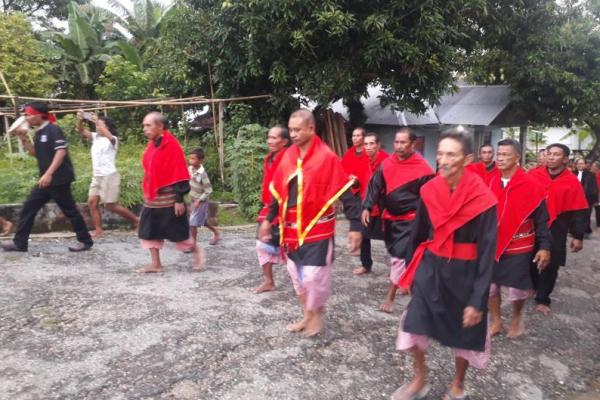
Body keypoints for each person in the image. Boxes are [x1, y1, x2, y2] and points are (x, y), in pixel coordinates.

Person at [393, 131, 497, 400]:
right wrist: (411, 275)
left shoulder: (483, 199)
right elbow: (417, 236)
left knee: (466, 334)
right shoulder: (429, 190)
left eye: (451, 154)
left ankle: (458, 384)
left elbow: (487, 253)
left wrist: (478, 300)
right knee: (412, 323)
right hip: (431, 270)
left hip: (466, 275)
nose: (443, 160)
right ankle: (419, 378)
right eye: (440, 153)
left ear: (467, 159)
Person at [258, 109, 362, 337]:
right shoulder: (288, 156)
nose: (293, 134)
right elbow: (279, 193)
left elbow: (346, 193)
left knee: (314, 276)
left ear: (311, 129)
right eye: (291, 129)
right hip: (290, 228)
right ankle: (306, 315)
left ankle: (318, 313)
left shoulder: (327, 157)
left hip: (318, 227)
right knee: (297, 275)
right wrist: (268, 219)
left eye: (297, 130)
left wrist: (355, 227)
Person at [1, 102, 93, 252]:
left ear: (38, 115)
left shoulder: (53, 129)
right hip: (46, 180)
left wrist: (49, 174)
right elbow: (35, 153)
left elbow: (61, 151)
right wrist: (23, 138)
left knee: (70, 211)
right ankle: (20, 243)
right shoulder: (39, 133)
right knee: (29, 208)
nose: (27, 118)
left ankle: (85, 241)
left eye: (29, 114)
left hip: (58, 179)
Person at [361, 128, 434, 313]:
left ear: (413, 144)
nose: (399, 146)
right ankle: (406, 284)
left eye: (403, 142)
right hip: (392, 220)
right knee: (399, 255)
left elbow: (431, 197)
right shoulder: (387, 164)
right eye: (396, 142)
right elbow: (374, 186)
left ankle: (391, 297)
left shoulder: (424, 168)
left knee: (399, 258)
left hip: (413, 221)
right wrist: (368, 206)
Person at [487, 139, 551, 339]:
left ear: (517, 157)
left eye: (506, 154)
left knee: (516, 287)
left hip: (519, 244)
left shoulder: (532, 185)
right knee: (490, 286)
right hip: (492, 243)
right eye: (499, 154)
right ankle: (496, 320)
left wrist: (545, 246)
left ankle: (516, 317)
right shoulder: (491, 181)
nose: (501, 158)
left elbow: (542, 220)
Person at [136, 112, 204, 273]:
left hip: (169, 197)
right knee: (149, 229)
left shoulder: (172, 145)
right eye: (144, 125)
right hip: (153, 196)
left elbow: (179, 173)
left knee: (177, 232)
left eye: (148, 125)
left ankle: (197, 251)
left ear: (160, 126)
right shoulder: (152, 145)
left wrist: (179, 199)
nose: (145, 129)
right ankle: (156, 264)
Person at [528, 144, 588, 314]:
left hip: (557, 225)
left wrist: (578, 236)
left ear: (565, 159)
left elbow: (580, 210)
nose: (551, 157)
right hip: (533, 223)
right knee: (529, 257)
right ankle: (532, 286)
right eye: (549, 154)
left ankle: (543, 298)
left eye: (556, 155)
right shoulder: (534, 174)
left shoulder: (572, 181)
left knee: (551, 263)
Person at [75, 111, 139, 237]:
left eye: (100, 125)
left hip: (109, 175)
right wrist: (81, 119)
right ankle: (98, 230)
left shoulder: (113, 139)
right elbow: (81, 130)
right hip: (97, 175)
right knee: (92, 202)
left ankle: (137, 220)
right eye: (97, 125)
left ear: (107, 127)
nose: (97, 127)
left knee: (111, 206)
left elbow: (108, 135)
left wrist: (97, 121)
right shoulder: (95, 137)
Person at [342, 130, 388, 275]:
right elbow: (360, 184)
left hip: (383, 207)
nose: (368, 147)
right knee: (365, 236)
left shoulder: (387, 161)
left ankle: (403, 273)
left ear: (378, 145)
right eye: (366, 144)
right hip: (366, 204)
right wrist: (354, 183)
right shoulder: (363, 161)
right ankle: (366, 265)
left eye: (371, 143)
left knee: (392, 240)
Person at [254, 126, 290, 293]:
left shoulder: (289, 159)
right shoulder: (269, 158)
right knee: (262, 244)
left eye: (274, 138)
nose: (269, 141)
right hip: (269, 208)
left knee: (293, 248)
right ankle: (269, 281)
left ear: (284, 141)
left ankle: (306, 285)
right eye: (269, 137)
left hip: (287, 210)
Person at [188, 148, 220, 245]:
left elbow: (208, 190)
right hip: (193, 200)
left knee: (192, 222)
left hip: (201, 202)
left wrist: (199, 200)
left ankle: (193, 244)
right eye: (190, 158)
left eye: (193, 159)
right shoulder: (190, 169)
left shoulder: (203, 174)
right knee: (204, 221)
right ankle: (216, 233)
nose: (191, 160)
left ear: (200, 160)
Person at [573, 158, 598, 235]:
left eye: (582, 163)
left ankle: (585, 231)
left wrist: (593, 199)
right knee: (574, 216)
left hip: (587, 199)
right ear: (576, 165)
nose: (580, 165)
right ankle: (574, 230)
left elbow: (594, 187)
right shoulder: (572, 174)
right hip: (574, 199)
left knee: (586, 215)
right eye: (578, 164)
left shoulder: (590, 175)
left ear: (585, 165)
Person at [592, 161, 600, 228]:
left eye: (593, 166)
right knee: (597, 208)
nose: (592, 167)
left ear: (597, 167)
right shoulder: (593, 175)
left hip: (598, 194)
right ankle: (598, 223)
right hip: (595, 194)